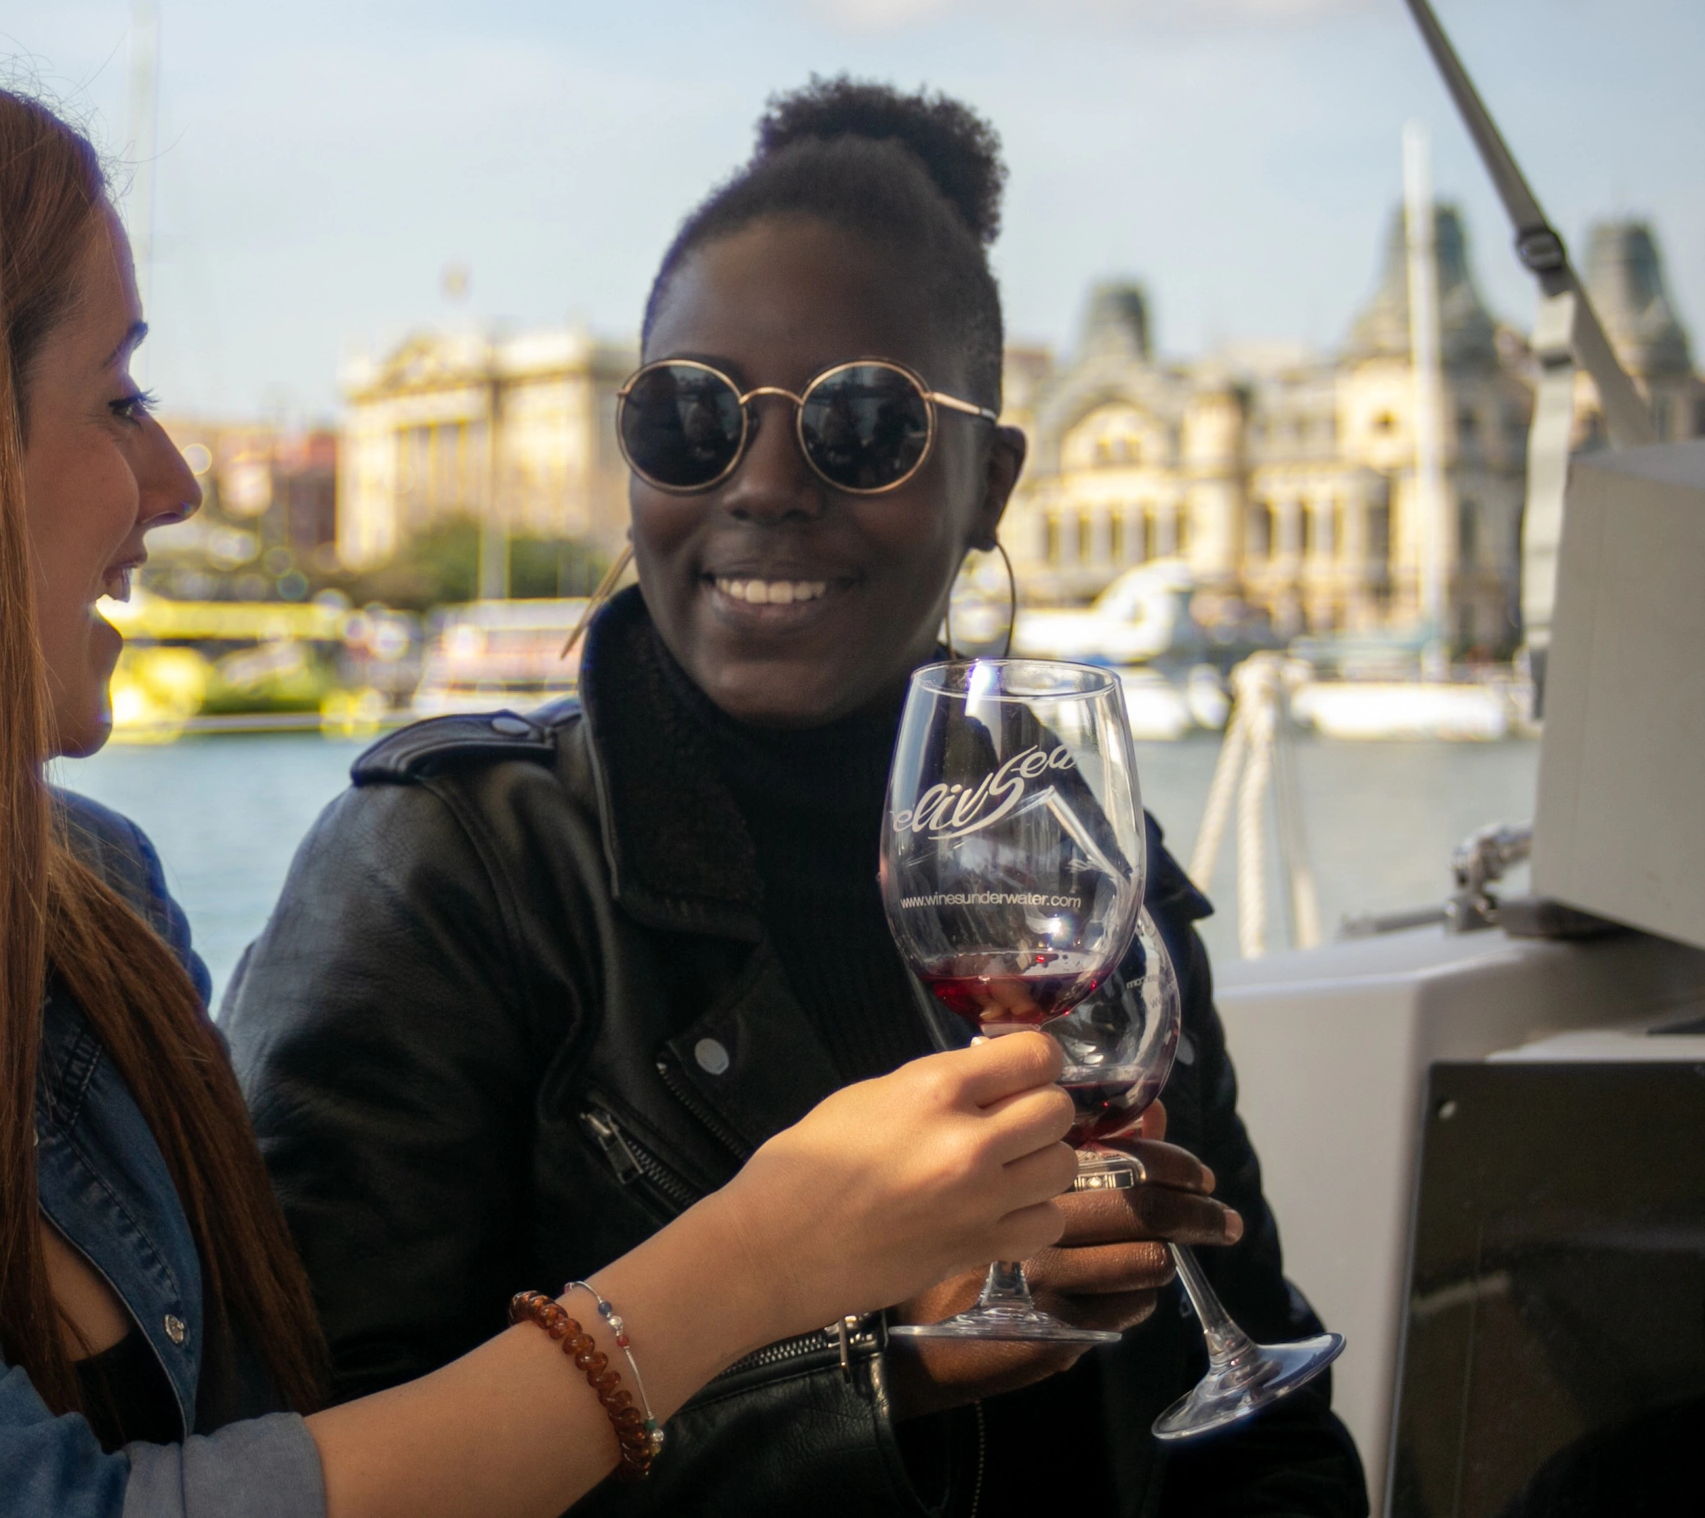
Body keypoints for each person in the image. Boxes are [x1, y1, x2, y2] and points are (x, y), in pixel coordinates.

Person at [0, 48, 1086, 1518]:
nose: (180, 479)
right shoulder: (439, 857)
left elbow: (270, 1433)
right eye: (119, 400)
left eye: (858, 429)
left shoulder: (97, 911)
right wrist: (782, 1279)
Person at [224, 78, 1369, 1515]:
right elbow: (312, 1463)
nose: (763, 485)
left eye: (864, 426)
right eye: (693, 419)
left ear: (989, 484)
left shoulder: (1085, 867)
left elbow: (1261, 1428)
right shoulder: (445, 868)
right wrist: (872, 1366)